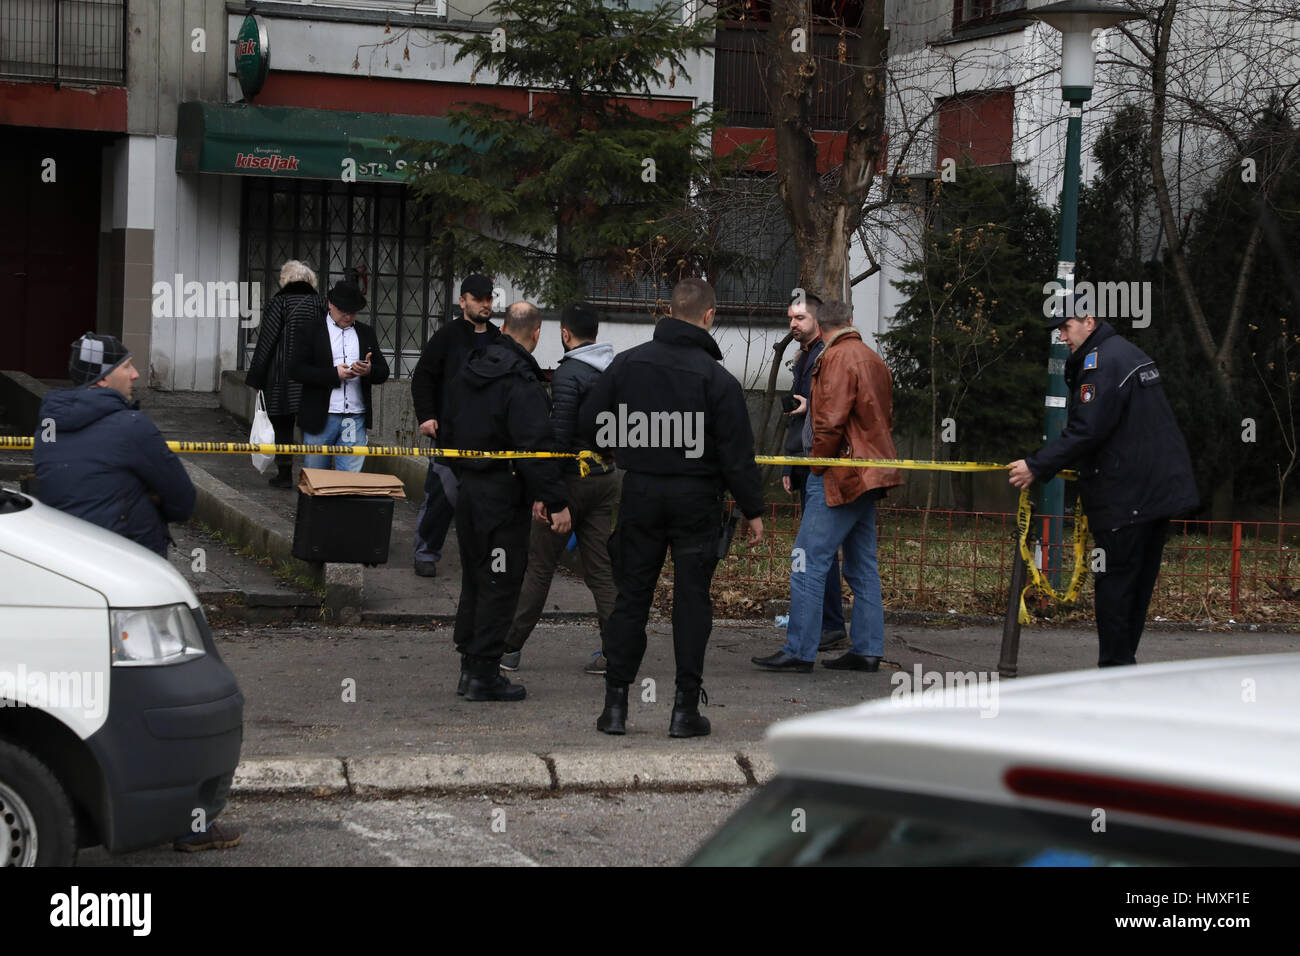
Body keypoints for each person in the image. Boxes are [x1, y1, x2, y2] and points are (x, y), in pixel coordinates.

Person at [33, 332, 241, 852]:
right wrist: (145, 494)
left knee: (82, 708)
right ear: (106, 376)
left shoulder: (48, 426)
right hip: (133, 594)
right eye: (127, 366)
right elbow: (184, 498)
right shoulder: (131, 426)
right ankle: (189, 823)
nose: (135, 374)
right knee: (171, 708)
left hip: (66, 586)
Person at [579, 278, 764, 738]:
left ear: (669, 312)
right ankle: (684, 711)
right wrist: (753, 509)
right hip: (697, 501)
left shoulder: (627, 364)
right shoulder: (718, 380)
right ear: (708, 316)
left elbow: (589, 423)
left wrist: (619, 447)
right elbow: (736, 454)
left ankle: (615, 707)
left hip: (640, 494)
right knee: (691, 602)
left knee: (631, 599)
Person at [1008, 309, 1198, 667]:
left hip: (1127, 496)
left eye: (1066, 327)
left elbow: (1088, 429)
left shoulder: (1100, 363)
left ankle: (1114, 671)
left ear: (1089, 322)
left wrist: (1037, 465)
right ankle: (1123, 665)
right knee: (1137, 586)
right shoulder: (1127, 352)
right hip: (1159, 494)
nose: (1062, 337)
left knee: (1115, 586)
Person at [753, 300, 903, 673]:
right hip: (870, 472)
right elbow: (884, 416)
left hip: (839, 474)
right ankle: (868, 649)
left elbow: (830, 422)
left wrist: (816, 465)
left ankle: (799, 650)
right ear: (851, 321)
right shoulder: (872, 358)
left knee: (806, 559)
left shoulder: (833, 358)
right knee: (862, 565)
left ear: (822, 325)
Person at [441, 302, 573, 702]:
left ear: (501, 327)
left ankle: (470, 667)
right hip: (502, 500)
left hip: (469, 494)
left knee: (476, 578)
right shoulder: (522, 382)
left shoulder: (469, 369)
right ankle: (483, 674)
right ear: (535, 335)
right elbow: (535, 448)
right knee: (500, 582)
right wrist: (556, 501)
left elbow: (447, 426)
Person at [501, 301, 620, 675]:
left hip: (570, 481)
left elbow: (559, 436)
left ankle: (509, 650)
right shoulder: (614, 371)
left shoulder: (569, 374)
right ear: (597, 335)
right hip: (605, 478)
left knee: (539, 567)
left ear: (565, 334)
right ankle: (617, 651)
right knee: (601, 570)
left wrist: (548, 495)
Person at [409, 274, 503, 577]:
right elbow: (423, 377)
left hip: (489, 441)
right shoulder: (447, 336)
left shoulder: (499, 339)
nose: (485, 304)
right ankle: (425, 553)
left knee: (488, 506)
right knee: (440, 498)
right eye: (478, 298)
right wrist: (427, 416)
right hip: (450, 437)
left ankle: (486, 559)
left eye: (489, 298)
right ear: (463, 301)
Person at [779, 290, 849, 651]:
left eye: (800, 318)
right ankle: (827, 623)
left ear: (817, 322)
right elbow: (797, 418)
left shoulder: (829, 356)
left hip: (824, 461)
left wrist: (812, 407)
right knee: (816, 549)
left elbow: (835, 413)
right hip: (805, 460)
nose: (793, 324)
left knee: (816, 549)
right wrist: (791, 463)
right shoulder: (804, 356)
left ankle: (830, 625)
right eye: (791, 318)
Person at [243, 260, 327, 488]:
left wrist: (257, 377)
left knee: (282, 425)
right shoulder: (321, 303)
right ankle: (314, 474)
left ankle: (284, 474)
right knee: (311, 425)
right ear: (311, 280)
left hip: (282, 376)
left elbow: (267, 340)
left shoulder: (279, 303)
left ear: (285, 280)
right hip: (313, 375)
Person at [291, 280, 390, 472]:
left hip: (354, 416)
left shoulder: (365, 333)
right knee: (316, 476)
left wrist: (368, 370)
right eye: (343, 310)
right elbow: (296, 370)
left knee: (350, 479)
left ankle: (344, 503)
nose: (348, 316)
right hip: (321, 415)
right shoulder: (311, 330)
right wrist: (333, 374)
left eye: (353, 311)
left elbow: (383, 371)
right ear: (330, 304)